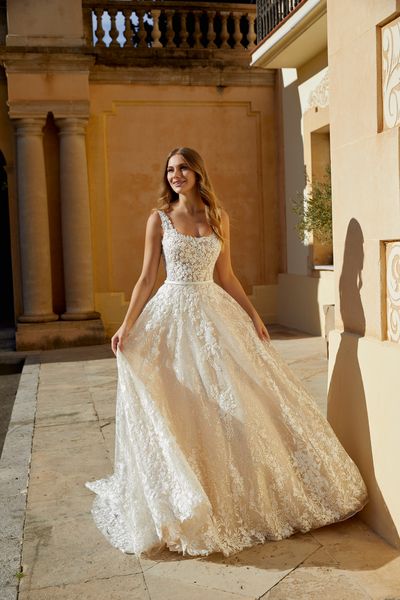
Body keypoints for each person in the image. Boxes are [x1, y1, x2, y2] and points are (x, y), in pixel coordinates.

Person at [85, 147, 368, 558]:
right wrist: (127, 324)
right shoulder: (159, 219)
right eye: (169, 170)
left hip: (214, 313)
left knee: (235, 403)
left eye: (182, 168)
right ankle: (183, 501)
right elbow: (147, 277)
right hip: (171, 317)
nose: (175, 175)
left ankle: (234, 497)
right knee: (182, 404)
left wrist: (252, 314)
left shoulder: (218, 217)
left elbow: (227, 275)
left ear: (198, 172)